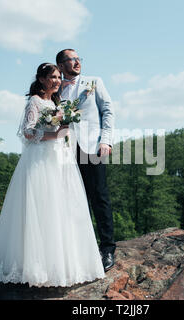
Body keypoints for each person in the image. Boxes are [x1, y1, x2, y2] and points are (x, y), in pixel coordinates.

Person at [0, 63, 105, 287]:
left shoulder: (56, 102)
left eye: (58, 77)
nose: (56, 81)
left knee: (63, 208)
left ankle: (65, 264)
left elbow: (62, 131)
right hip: (40, 160)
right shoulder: (35, 101)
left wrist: (63, 130)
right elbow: (27, 131)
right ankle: (37, 267)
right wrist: (53, 134)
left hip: (60, 159)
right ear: (41, 80)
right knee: (42, 208)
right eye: (52, 77)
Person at [56, 49, 116, 271]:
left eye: (78, 58)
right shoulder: (55, 88)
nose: (77, 62)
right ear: (60, 66)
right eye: (71, 60)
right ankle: (82, 249)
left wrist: (106, 140)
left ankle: (107, 248)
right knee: (73, 199)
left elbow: (108, 111)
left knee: (99, 197)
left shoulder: (94, 82)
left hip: (93, 146)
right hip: (65, 150)